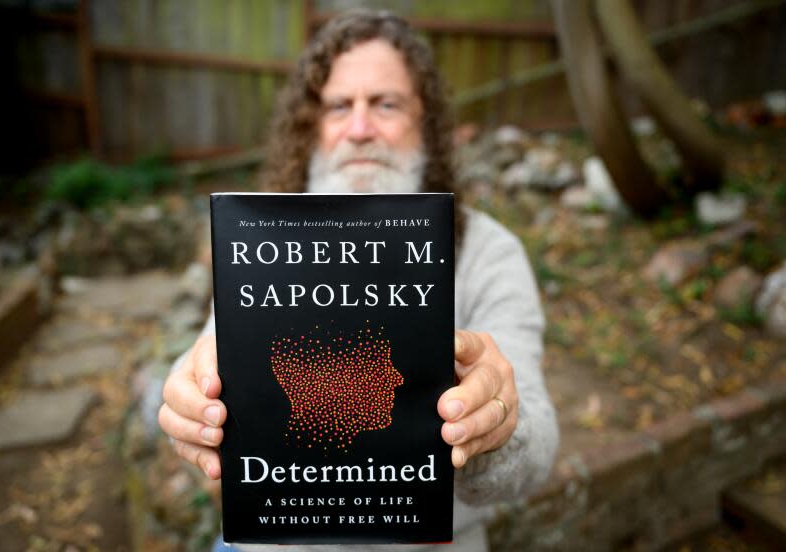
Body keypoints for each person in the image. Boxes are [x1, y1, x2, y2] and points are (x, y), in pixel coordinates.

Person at [158, 9, 559, 552]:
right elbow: (208, 355)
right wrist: (191, 396)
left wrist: (497, 426)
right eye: (339, 106)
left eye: (386, 104)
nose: (360, 128)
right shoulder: (261, 242)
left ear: (428, 123)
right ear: (311, 128)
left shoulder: (489, 253)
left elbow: (537, 449)